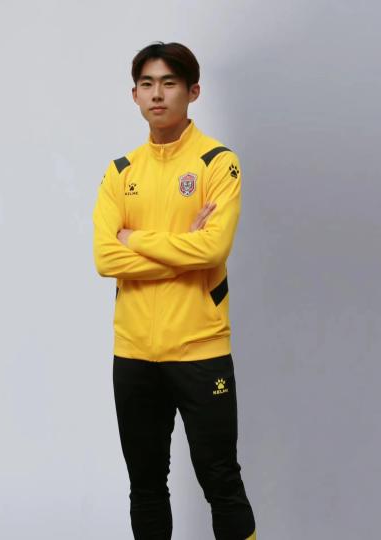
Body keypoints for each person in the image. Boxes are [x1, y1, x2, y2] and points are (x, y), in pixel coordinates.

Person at [92, 41, 256, 540]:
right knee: (145, 485)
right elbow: (105, 258)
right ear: (134, 95)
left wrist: (136, 240)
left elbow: (213, 249)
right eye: (147, 84)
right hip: (134, 353)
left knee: (221, 481)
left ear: (193, 91)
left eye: (169, 83)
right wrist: (184, 248)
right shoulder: (121, 172)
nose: (157, 95)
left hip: (199, 349)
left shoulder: (217, 163)